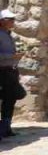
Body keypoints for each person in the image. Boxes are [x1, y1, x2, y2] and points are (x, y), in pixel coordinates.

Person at [1, 9, 20, 140]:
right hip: (3, 70)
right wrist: (11, 56)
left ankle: (6, 127)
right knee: (8, 97)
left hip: (11, 69)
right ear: (2, 21)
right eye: (10, 19)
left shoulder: (8, 34)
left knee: (11, 98)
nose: (13, 21)